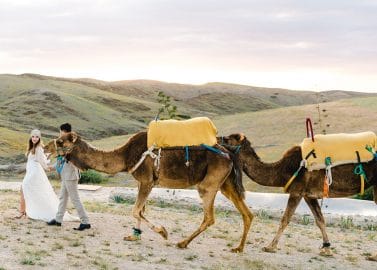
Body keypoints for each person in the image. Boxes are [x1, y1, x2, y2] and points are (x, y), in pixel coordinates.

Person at [17, 129, 79, 222]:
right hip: (30, 172)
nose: (34, 138)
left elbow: (42, 162)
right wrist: (47, 156)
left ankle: (22, 211)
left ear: (39, 138)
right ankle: (24, 210)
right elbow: (42, 158)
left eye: (37, 137)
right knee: (26, 189)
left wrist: (47, 167)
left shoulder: (38, 148)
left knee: (24, 188)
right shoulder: (33, 147)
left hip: (34, 173)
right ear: (30, 137)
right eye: (33, 136)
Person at [47, 123, 91, 231]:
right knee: (63, 198)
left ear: (64, 132)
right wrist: (51, 167)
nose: (60, 134)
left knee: (75, 199)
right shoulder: (64, 144)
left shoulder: (72, 145)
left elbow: (68, 159)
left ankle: (85, 221)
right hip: (65, 175)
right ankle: (58, 219)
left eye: (61, 131)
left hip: (71, 176)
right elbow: (61, 161)